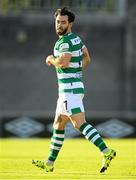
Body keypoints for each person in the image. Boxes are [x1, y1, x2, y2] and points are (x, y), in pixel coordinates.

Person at [32, 7, 116, 173]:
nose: (59, 25)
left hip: (69, 90)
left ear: (70, 23)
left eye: (63, 22)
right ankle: (49, 163)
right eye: (57, 22)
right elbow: (86, 56)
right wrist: (77, 71)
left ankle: (106, 151)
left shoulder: (65, 42)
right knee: (59, 123)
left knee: (79, 124)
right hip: (70, 89)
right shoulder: (76, 39)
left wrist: (51, 59)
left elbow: (63, 62)